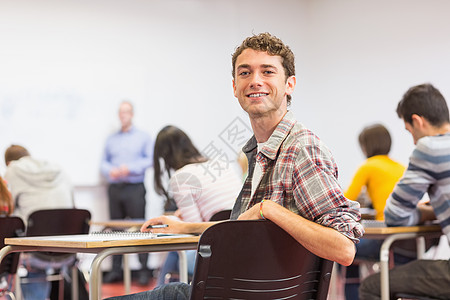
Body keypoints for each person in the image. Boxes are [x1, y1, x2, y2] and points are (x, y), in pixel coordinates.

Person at [106, 32, 363, 300]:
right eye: (245, 73)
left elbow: (343, 248)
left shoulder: (301, 149)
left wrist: (268, 209)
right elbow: (246, 229)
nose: (255, 81)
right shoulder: (260, 151)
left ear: (289, 84)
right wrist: (189, 228)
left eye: (267, 71)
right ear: (234, 87)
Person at [359, 83, 450, 300]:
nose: (414, 140)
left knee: (372, 285)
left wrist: (425, 213)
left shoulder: (430, 148)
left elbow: (394, 216)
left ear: (417, 121)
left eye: (411, 132)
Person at [152, 125, 242, 286]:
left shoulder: (181, 178)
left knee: (175, 252)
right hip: (242, 251)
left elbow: (195, 230)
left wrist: (179, 222)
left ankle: (159, 290)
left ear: (164, 156)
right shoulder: (222, 163)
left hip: (214, 258)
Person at [4, 144, 75, 300]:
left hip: (35, 252)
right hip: (68, 249)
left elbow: (6, 208)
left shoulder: (13, 170)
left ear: (8, 163)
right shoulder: (58, 168)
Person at [343, 124, 406, 300]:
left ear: (366, 146)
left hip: (383, 239)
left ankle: (352, 295)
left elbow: (345, 200)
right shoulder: (401, 167)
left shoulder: (368, 166)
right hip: (404, 239)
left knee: (343, 248)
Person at [100, 100, 154, 285]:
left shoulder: (143, 136)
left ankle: (144, 271)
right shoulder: (111, 139)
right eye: (121, 112)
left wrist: (128, 168)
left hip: (134, 187)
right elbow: (103, 163)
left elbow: (149, 160)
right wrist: (111, 171)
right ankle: (116, 270)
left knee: (141, 228)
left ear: (132, 114)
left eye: (126, 112)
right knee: (115, 229)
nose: (123, 115)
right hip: (115, 188)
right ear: (118, 115)